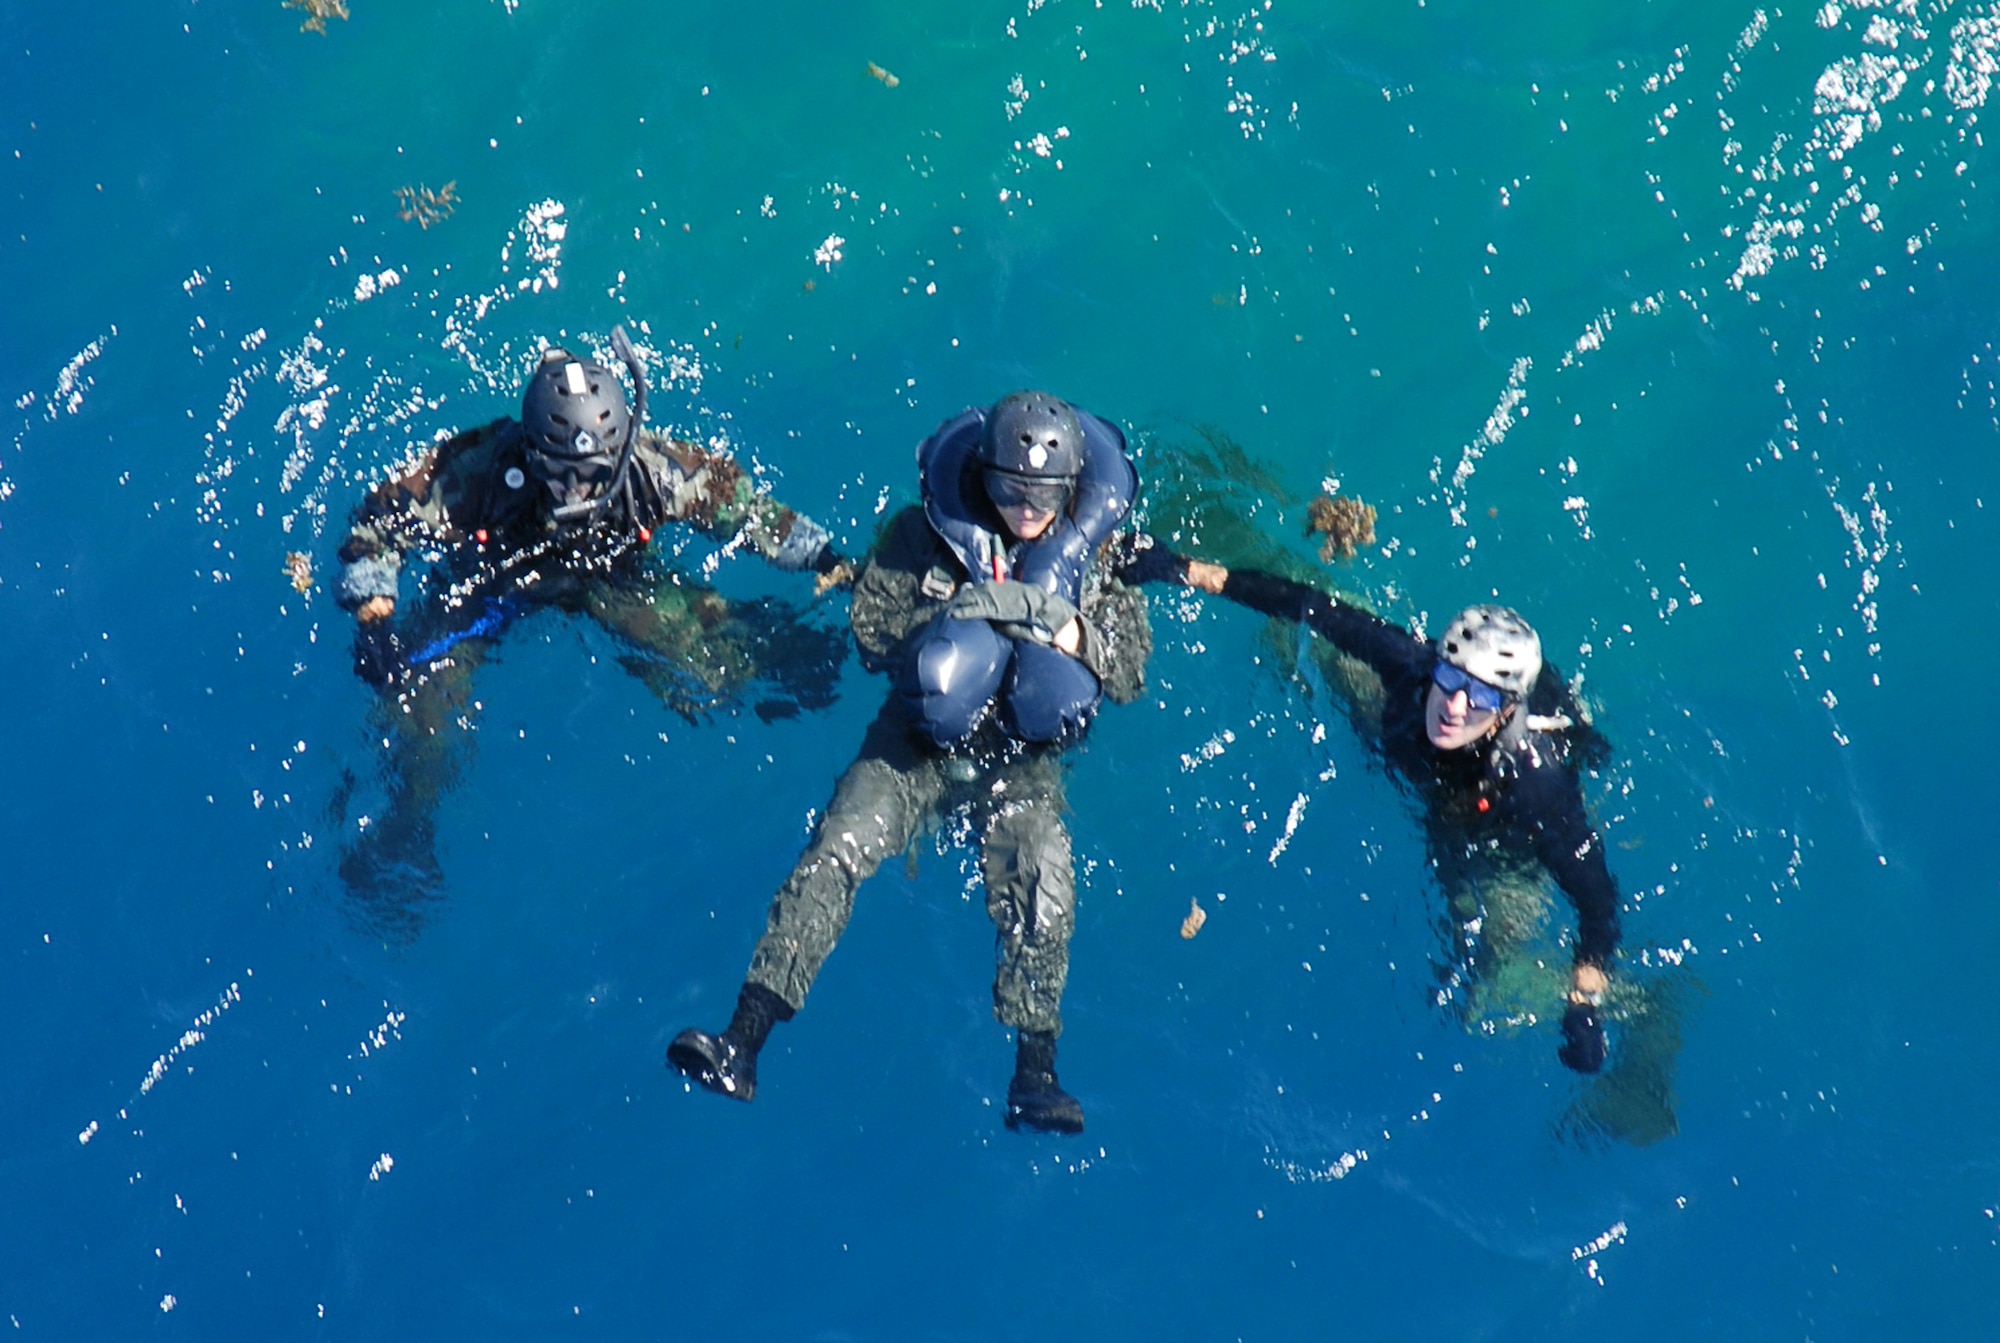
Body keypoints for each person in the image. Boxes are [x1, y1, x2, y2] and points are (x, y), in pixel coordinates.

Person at [667, 391, 1153, 1133]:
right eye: (1008, 489)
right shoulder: (920, 533)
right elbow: (871, 629)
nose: (1025, 508)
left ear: (1072, 490)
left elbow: (1129, 673)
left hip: (1019, 756)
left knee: (1044, 880)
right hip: (917, 736)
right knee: (837, 847)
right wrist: (957, 619)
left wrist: (1071, 634)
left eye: (1043, 494)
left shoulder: (1098, 556)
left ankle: (1035, 1075)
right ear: (981, 475)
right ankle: (744, 1038)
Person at [333, 328, 849, 938]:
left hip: (610, 578)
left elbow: (753, 513)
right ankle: (404, 825)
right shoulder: (471, 472)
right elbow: (377, 526)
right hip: (489, 590)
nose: (585, 493)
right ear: (532, 456)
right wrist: (375, 619)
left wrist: (829, 561)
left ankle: (793, 656)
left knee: (716, 659)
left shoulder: (655, 472)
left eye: (597, 474)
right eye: (569, 478)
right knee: (420, 714)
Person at [1119, 547, 1621, 1074]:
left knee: (1485, 964)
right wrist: (1185, 570)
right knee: (1319, 648)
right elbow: (1315, 607)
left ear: (1507, 711)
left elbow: (1599, 905)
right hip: (1424, 765)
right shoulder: (1413, 666)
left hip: (1501, 845)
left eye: (1480, 697)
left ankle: (1642, 1020)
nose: (1453, 706)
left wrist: (1584, 1004)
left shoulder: (1537, 786)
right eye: (1451, 679)